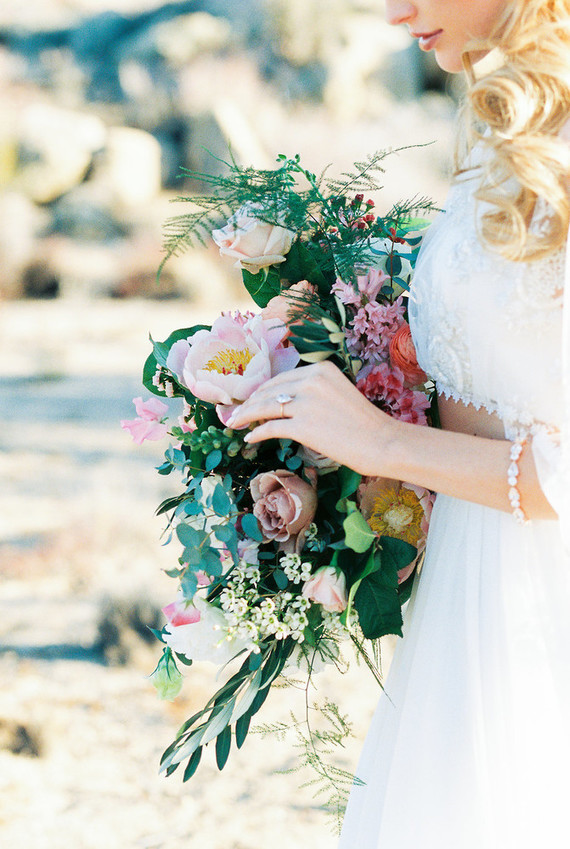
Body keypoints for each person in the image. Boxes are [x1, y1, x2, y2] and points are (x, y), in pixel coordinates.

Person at [228, 1, 570, 846]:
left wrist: (378, 441)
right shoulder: (500, 130)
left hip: (542, 615)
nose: (395, 11)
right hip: (467, 591)